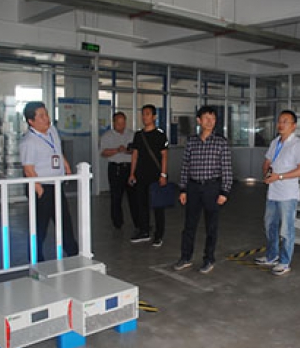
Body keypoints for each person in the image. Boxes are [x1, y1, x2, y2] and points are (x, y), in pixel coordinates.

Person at [173, 106, 233, 274]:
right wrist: (183, 189)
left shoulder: (221, 142)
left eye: (213, 118)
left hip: (212, 188)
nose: (210, 121)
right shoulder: (191, 141)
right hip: (193, 188)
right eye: (206, 118)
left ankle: (209, 259)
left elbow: (227, 169)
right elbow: (185, 166)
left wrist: (224, 192)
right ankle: (186, 257)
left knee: (211, 226)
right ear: (199, 120)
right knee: (189, 225)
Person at [19, 101, 79, 262]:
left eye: (46, 114)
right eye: (41, 116)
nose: (46, 118)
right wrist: (40, 191)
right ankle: (36, 260)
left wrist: (66, 165)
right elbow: (28, 169)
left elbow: (57, 151)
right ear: (31, 121)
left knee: (64, 221)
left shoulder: (52, 131)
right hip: (41, 187)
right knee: (40, 227)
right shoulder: (29, 141)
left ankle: (73, 253)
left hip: (56, 185)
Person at [254, 110, 300, 276]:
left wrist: (280, 176)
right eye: (279, 121)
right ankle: (272, 256)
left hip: (288, 195)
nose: (281, 124)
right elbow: (267, 162)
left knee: (286, 230)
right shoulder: (275, 142)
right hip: (273, 192)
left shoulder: (299, 145)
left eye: (285, 121)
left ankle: (284, 262)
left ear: (293, 126)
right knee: (269, 225)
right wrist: (266, 174)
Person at [128, 104, 169, 247]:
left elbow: (164, 156)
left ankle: (159, 235)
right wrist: (132, 173)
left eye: (147, 114)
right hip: (140, 175)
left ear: (154, 117)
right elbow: (135, 155)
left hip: (156, 175)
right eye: (143, 114)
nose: (144, 117)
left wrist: (163, 174)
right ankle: (144, 231)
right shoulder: (138, 135)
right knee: (142, 205)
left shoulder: (160, 135)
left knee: (158, 206)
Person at [100, 112, 138, 231]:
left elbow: (136, 151)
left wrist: (126, 150)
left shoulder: (132, 134)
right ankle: (117, 222)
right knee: (116, 197)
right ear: (114, 123)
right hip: (115, 169)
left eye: (123, 123)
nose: (121, 125)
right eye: (118, 123)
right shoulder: (107, 136)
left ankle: (138, 222)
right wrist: (117, 150)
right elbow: (103, 153)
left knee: (134, 198)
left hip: (130, 169)